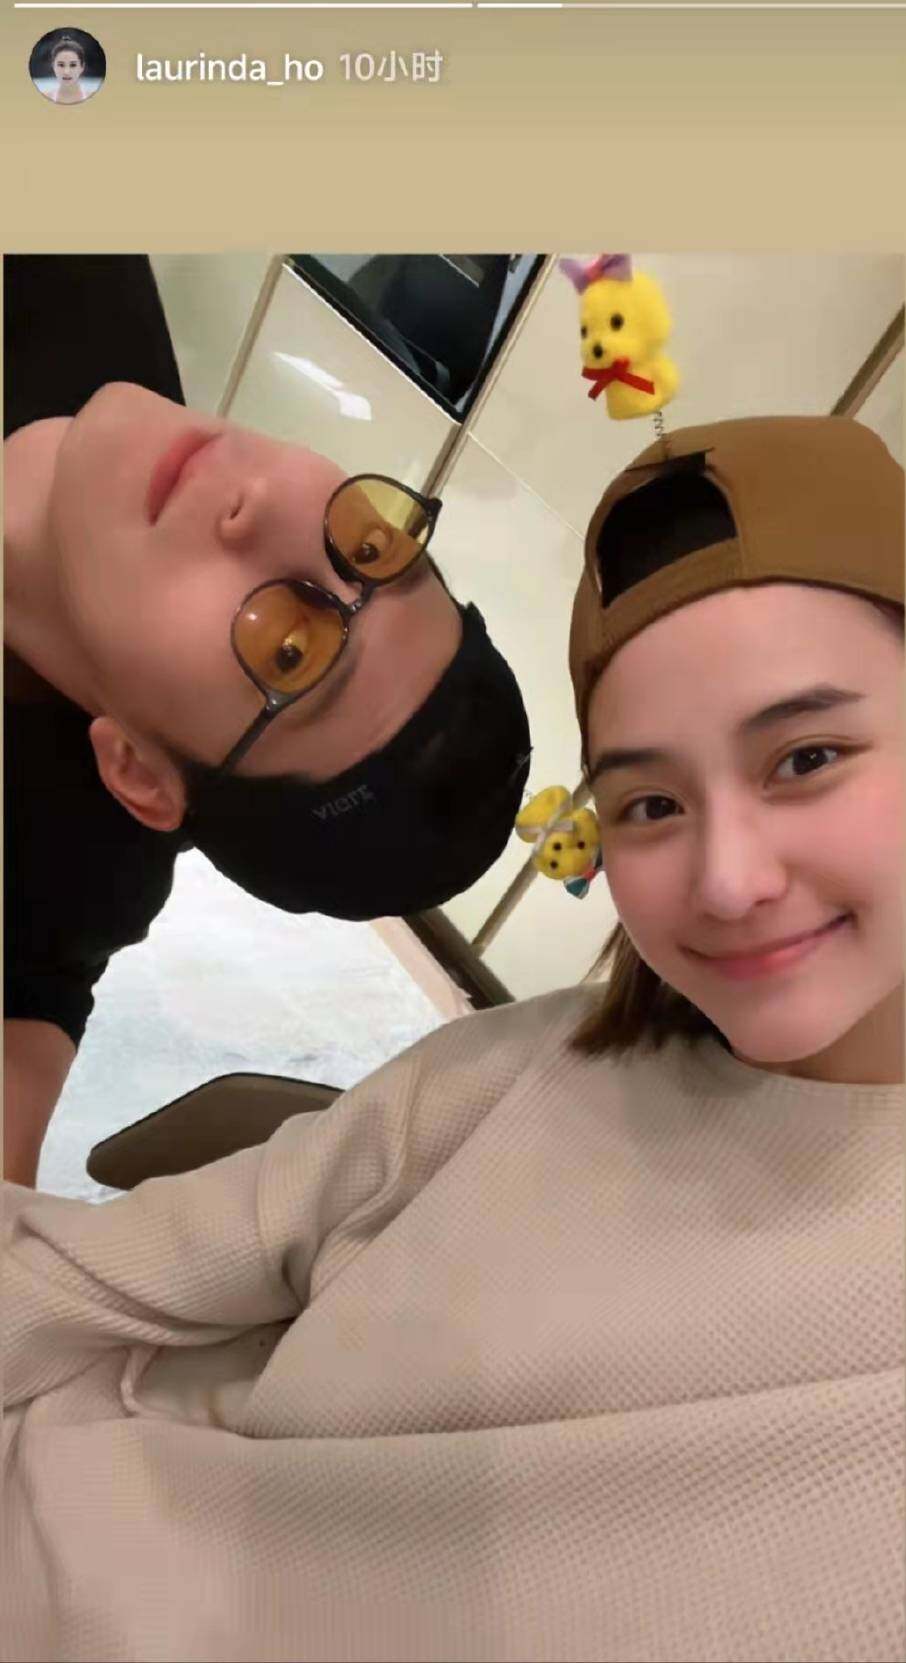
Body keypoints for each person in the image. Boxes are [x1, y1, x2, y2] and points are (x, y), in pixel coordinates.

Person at [3, 415, 904, 1663]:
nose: (727, 879)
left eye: (805, 757)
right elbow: (75, 1281)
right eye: (647, 801)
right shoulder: (521, 1074)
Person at [3, 256, 532, 1186]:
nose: (271, 505)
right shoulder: (76, 268)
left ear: (140, 773)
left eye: (287, 651)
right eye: (367, 544)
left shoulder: (64, 855)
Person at [46, 36, 87, 103]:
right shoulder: (43, 97)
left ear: (82, 67)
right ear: (53, 66)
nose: (66, 72)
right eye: (61, 65)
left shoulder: (95, 98)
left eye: (73, 65)